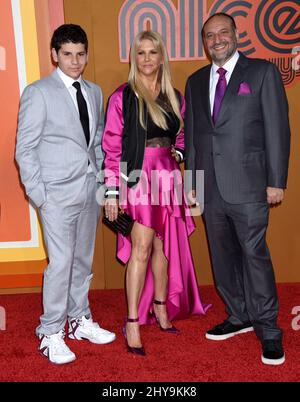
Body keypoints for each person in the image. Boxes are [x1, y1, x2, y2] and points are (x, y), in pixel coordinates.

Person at [185, 13, 290, 365]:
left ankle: (269, 330)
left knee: (254, 255)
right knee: (222, 256)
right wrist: (192, 182)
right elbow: (195, 135)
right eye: (210, 35)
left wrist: (276, 181)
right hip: (210, 187)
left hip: (250, 185)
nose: (217, 40)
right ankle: (238, 314)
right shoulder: (196, 81)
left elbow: (278, 129)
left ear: (235, 35)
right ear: (204, 42)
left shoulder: (261, 72)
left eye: (223, 33)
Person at [102, 30, 210, 356]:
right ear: (134, 58)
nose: (147, 58)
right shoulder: (122, 97)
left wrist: (180, 164)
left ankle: (161, 307)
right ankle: (132, 321)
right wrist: (110, 193)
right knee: (142, 247)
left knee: (166, 247)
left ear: (161, 57)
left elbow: (183, 141)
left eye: (153, 52)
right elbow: (110, 148)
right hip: (139, 178)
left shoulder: (175, 96)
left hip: (168, 176)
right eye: (141, 53)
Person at [15, 24, 116, 365]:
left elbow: (98, 141)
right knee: (60, 264)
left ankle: (79, 319)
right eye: (68, 54)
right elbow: (24, 149)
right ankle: (50, 330)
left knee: (82, 260)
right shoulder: (38, 92)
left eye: (80, 54)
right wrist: (40, 195)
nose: (75, 61)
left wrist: (103, 184)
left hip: (89, 191)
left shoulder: (95, 91)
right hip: (55, 195)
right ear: (54, 55)